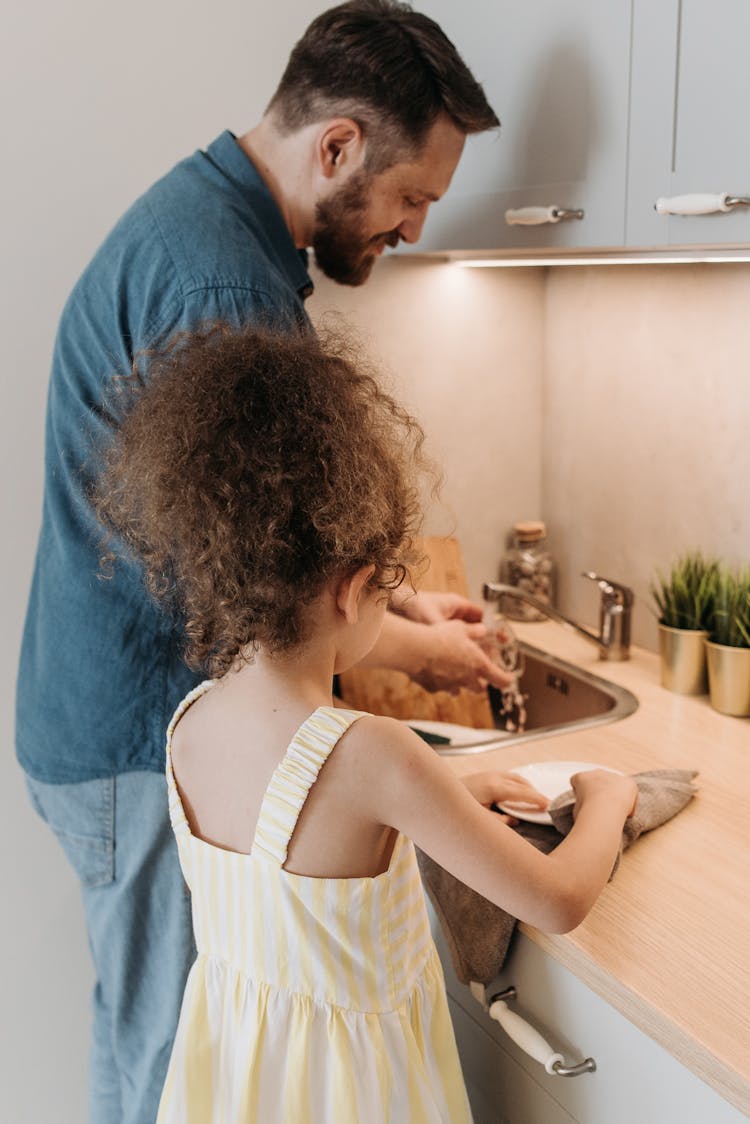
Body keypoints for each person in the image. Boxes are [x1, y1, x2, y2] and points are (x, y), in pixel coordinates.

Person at [16, 4, 510, 1119]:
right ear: (337, 146)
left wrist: (404, 606)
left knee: (139, 1032)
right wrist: (429, 648)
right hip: (136, 736)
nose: (413, 229)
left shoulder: (208, 223)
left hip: (101, 724)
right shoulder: (226, 293)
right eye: (410, 197)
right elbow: (268, 588)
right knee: (171, 1064)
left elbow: (270, 550)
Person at [93, 324, 638, 1123]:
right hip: (356, 1096)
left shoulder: (189, 724)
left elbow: (307, 850)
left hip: (241, 1089)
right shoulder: (373, 753)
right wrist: (608, 797)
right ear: (351, 590)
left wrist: (457, 792)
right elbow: (556, 899)